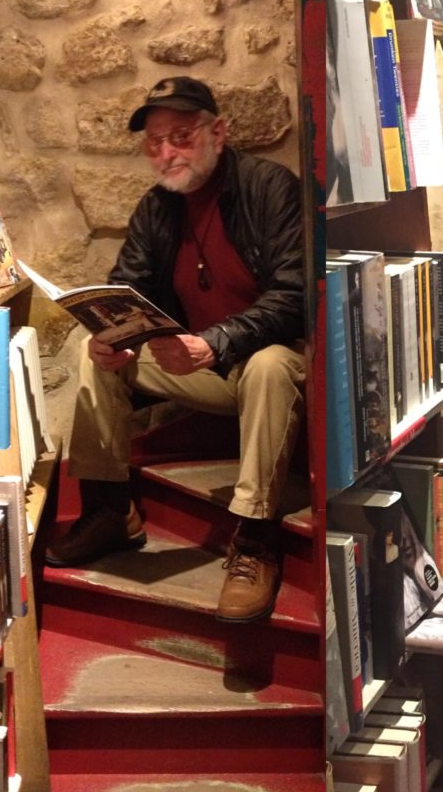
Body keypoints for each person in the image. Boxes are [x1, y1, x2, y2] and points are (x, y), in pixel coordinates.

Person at [46, 76, 306, 624]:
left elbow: (294, 295)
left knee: (269, 365)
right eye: (155, 142)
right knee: (89, 348)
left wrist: (215, 343)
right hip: (194, 364)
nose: (167, 153)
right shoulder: (157, 207)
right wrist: (113, 336)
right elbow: (129, 285)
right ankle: (108, 509)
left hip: (263, 362)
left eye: (181, 136)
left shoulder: (270, 188)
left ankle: (256, 540)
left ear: (218, 132)